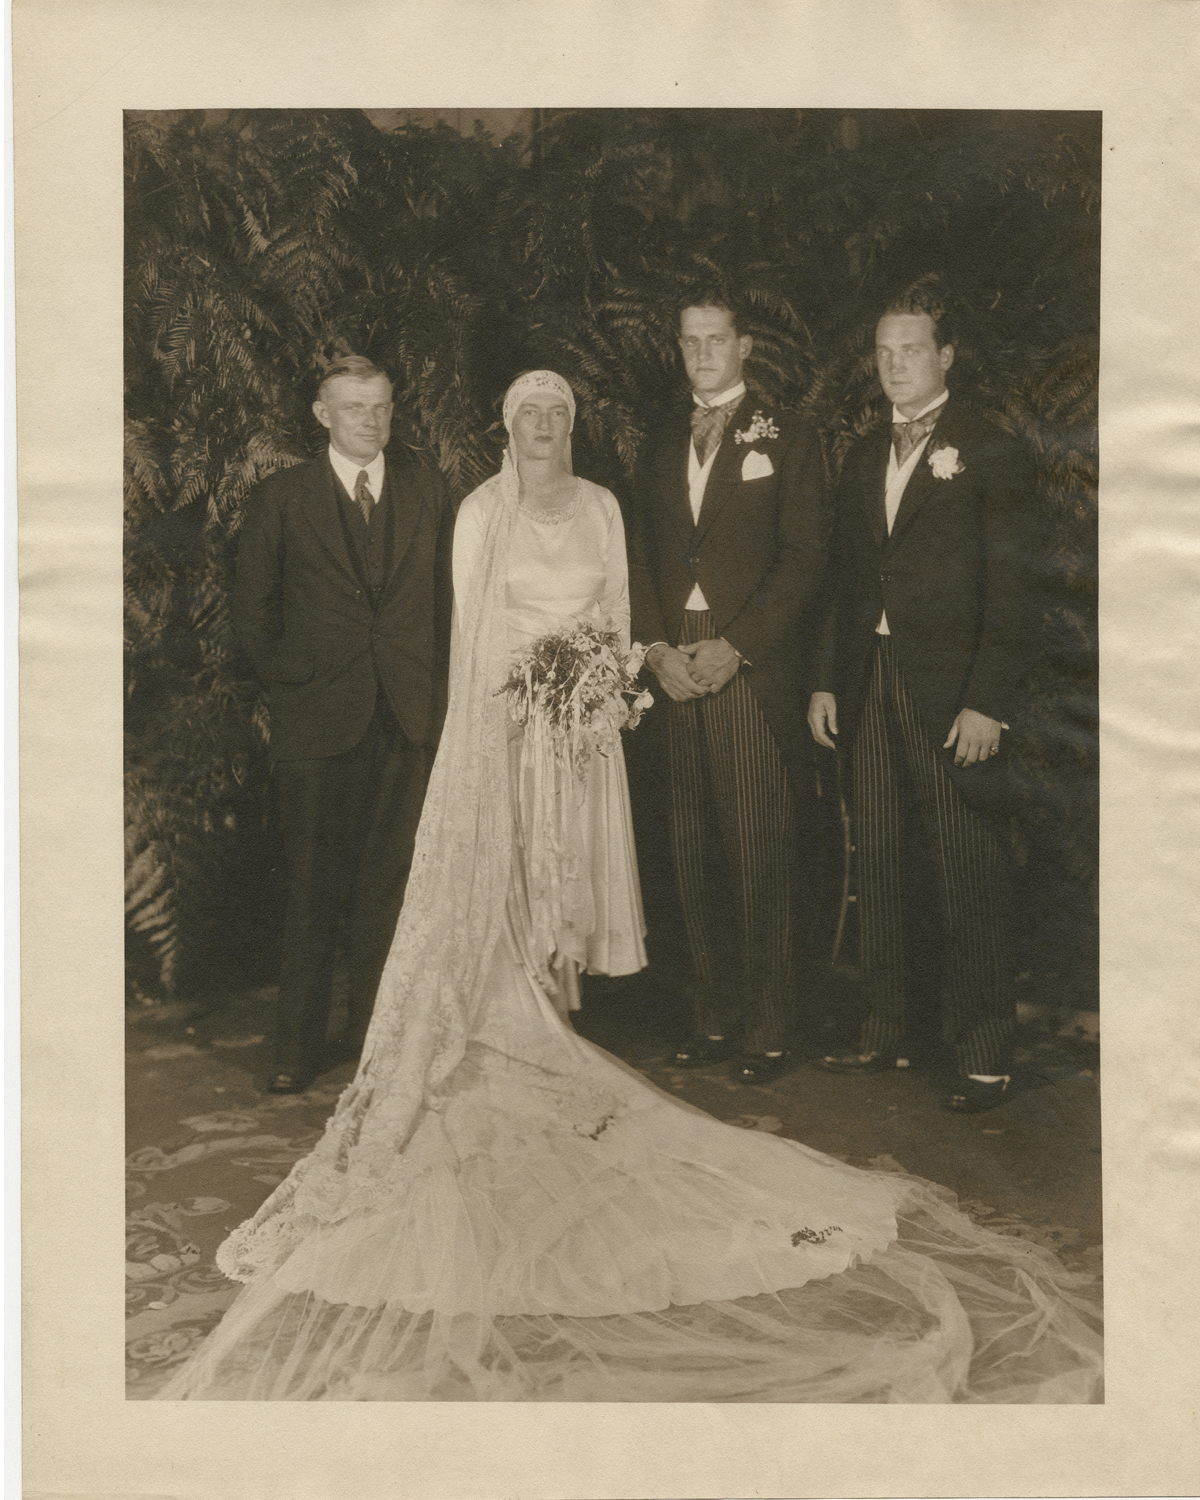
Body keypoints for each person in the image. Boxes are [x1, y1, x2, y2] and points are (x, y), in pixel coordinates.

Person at [158, 369, 1099, 1404]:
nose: (547, 428)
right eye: (529, 415)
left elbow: (616, 602)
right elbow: (470, 631)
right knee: (450, 880)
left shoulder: (602, 503)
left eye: (558, 414)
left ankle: (573, 1010)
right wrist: (510, 712)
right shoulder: (474, 508)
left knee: (600, 872)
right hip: (503, 720)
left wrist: (597, 683)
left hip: (585, 714)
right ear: (504, 426)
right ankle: (433, 1017)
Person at [809, 278, 1036, 1113]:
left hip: (951, 693)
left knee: (968, 867)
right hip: (870, 684)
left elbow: (1013, 589)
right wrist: (830, 679)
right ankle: (886, 1032)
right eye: (884, 352)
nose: (896, 364)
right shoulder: (867, 450)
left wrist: (988, 700)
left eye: (912, 350)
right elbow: (847, 577)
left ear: (946, 357)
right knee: (883, 854)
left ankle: (983, 1053)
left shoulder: (991, 447)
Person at [232, 355, 451, 1094]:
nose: (371, 419)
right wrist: (297, 682)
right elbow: (251, 616)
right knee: (313, 886)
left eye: (382, 405)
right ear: (322, 414)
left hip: (407, 716)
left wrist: (435, 694)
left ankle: (375, 1044)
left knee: (388, 886)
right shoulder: (282, 497)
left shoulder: (427, 491)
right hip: (319, 720)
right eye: (354, 407)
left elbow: (448, 607)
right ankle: (295, 1048)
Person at [628, 291, 830, 1083]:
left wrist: (738, 647)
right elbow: (639, 557)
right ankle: (712, 1016)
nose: (702, 353)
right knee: (692, 849)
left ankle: (770, 1030)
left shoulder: (789, 437)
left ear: (745, 348)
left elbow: (806, 558)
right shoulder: (654, 444)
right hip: (677, 662)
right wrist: (655, 649)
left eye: (717, 340)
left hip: (747, 664)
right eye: (689, 341)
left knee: (758, 851)